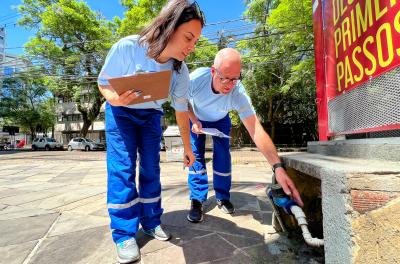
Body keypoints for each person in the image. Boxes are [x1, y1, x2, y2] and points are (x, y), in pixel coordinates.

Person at [97, 1, 205, 263]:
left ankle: (151, 220)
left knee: (150, 169)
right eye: (188, 38)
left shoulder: (180, 69)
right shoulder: (128, 47)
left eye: (196, 41)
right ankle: (123, 233)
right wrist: (116, 99)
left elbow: (181, 110)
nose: (191, 47)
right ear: (168, 27)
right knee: (122, 169)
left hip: (151, 117)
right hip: (120, 113)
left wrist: (188, 148)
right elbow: (103, 83)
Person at [186, 48, 304, 223]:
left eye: (234, 78)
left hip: (220, 120)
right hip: (196, 118)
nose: (229, 84)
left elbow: (255, 129)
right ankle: (197, 200)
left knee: (223, 158)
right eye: (224, 77)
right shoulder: (196, 79)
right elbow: (181, 101)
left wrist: (277, 166)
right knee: (195, 158)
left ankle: (223, 197)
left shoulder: (237, 92)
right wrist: (194, 120)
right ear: (213, 71)